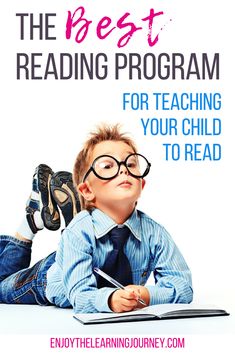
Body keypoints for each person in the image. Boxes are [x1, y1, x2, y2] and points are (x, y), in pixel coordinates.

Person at [0, 124, 193, 313]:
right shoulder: (79, 232)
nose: (124, 169)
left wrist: (148, 294)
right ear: (86, 190)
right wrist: (109, 300)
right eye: (108, 165)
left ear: (141, 185)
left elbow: (184, 287)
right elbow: (80, 296)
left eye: (131, 164)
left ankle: (47, 218)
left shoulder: (155, 232)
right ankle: (31, 222)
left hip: (81, 253)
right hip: (48, 279)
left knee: (81, 234)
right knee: (2, 286)